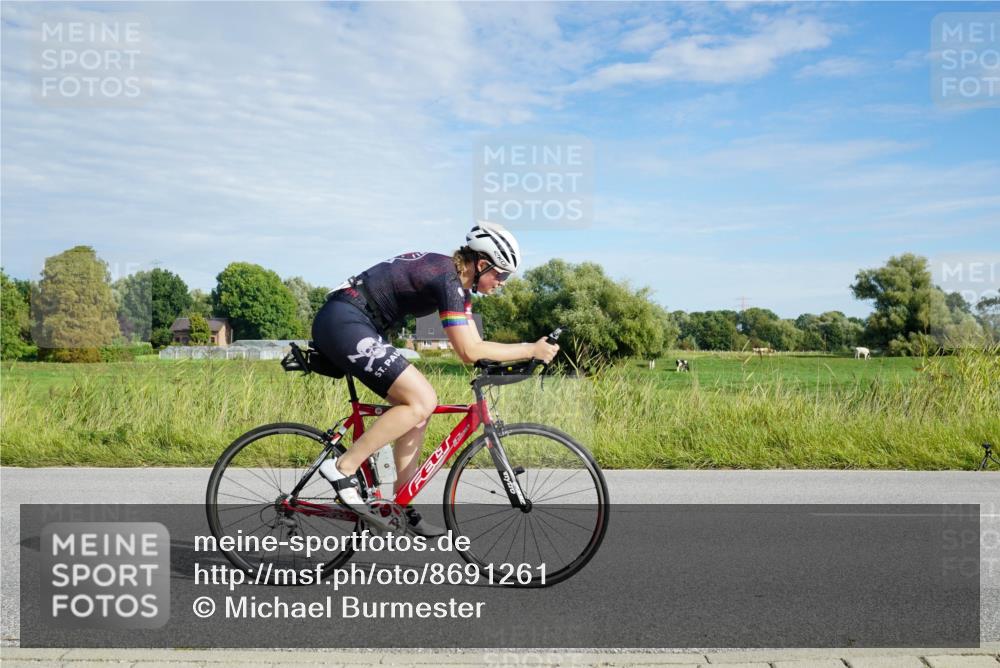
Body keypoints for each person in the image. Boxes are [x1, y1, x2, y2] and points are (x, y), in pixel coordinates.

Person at [311, 222, 559, 536]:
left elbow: (475, 347)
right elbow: (469, 351)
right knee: (423, 400)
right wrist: (530, 349)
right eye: (502, 275)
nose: (503, 283)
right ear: (482, 265)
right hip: (344, 320)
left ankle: (400, 506)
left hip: (355, 323)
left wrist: (517, 358)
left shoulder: (454, 284)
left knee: (416, 413)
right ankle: (342, 468)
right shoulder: (448, 279)